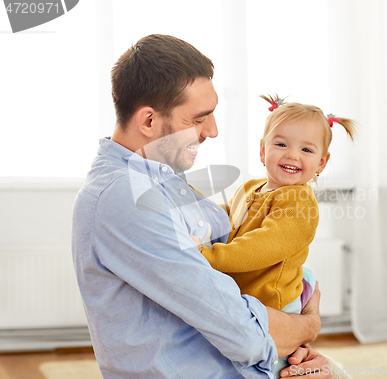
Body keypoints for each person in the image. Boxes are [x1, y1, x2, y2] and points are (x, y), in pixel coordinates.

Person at [72, 34, 335, 378]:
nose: (211, 131)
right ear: (149, 121)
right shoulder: (125, 197)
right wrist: (307, 325)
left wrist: (293, 346)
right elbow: (246, 336)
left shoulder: (158, 175)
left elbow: (230, 234)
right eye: (197, 119)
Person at [193, 95, 355, 377]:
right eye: (281, 144)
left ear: (321, 162)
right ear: (262, 150)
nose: (292, 155)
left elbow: (262, 247)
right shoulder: (251, 187)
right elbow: (227, 218)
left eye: (306, 149)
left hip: (274, 303)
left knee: (274, 365)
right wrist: (195, 208)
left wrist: (206, 256)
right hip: (247, 295)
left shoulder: (299, 202)